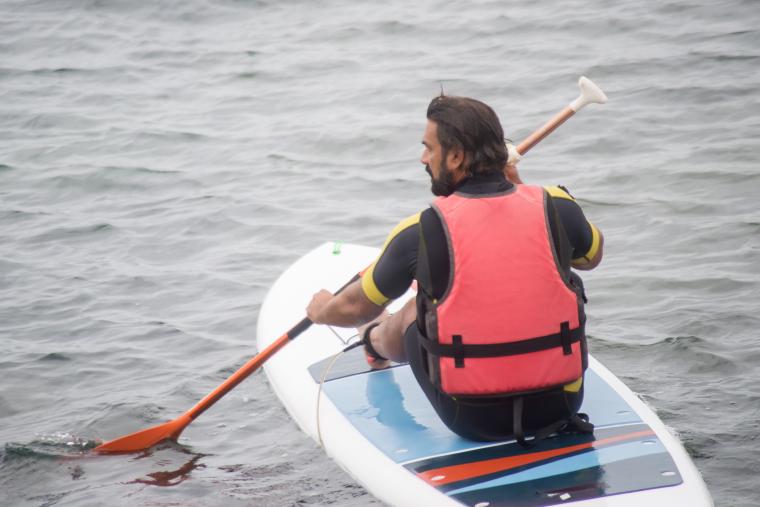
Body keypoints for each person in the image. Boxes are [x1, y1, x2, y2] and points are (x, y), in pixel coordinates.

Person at [306, 95, 603, 443]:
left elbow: (354, 308)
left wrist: (321, 310)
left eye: (428, 148)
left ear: (457, 156)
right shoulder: (557, 205)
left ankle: (373, 342)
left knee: (414, 314)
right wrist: (521, 188)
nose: (423, 158)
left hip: (473, 419)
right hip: (562, 404)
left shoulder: (418, 231)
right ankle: (375, 338)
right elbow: (591, 258)